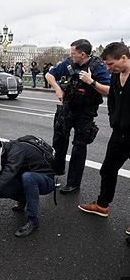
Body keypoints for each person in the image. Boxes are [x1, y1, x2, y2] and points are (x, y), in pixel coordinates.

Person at [45, 39, 110, 195]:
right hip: (66, 108)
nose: (70, 55)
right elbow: (49, 75)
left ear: (82, 54)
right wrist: (57, 90)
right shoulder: (68, 64)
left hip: (85, 111)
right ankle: (56, 172)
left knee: (79, 146)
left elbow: (109, 89)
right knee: (59, 142)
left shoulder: (97, 67)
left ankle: (73, 183)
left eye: (73, 53)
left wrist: (91, 82)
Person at [78, 42, 130, 218]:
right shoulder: (116, 75)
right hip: (119, 133)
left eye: (111, 64)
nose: (108, 68)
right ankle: (102, 205)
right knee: (107, 169)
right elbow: (113, 95)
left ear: (124, 58)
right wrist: (113, 117)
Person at [0, 138, 56, 237]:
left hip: (46, 180)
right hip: (27, 178)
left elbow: (9, 172)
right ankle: (23, 200)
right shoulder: (0, 155)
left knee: (28, 178)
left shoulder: (16, 150)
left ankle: (33, 221)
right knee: (2, 189)